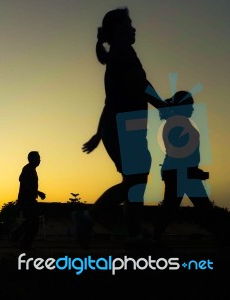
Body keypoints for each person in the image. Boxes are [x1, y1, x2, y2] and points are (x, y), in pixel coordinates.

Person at [72, 7, 167, 250]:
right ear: (118, 30)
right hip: (126, 127)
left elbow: (110, 101)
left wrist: (99, 132)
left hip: (123, 126)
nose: (134, 28)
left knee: (135, 182)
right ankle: (87, 218)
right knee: (135, 182)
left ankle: (134, 237)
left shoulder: (121, 54)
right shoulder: (123, 54)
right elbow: (141, 84)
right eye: (129, 24)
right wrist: (164, 107)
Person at [153, 91, 214, 243]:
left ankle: (151, 238)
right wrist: (193, 171)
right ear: (182, 107)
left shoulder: (177, 122)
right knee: (203, 208)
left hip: (180, 171)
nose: (193, 109)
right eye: (190, 106)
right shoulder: (177, 124)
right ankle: (149, 239)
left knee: (171, 209)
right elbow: (179, 153)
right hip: (180, 172)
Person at [11, 151, 46, 250]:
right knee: (32, 222)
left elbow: (25, 183)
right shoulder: (27, 169)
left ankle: (22, 242)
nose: (40, 160)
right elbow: (24, 183)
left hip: (29, 199)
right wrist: (38, 192)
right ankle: (18, 238)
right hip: (26, 200)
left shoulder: (31, 169)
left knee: (32, 222)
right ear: (32, 159)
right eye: (38, 158)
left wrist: (36, 192)